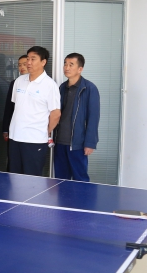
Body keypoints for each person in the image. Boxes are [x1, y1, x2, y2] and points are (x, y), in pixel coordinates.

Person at [8, 46, 61, 176]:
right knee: (14, 176)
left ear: (43, 62)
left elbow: (55, 114)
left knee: (31, 179)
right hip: (15, 137)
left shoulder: (50, 85)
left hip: (35, 140)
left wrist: (44, 130)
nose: (29, 62)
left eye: (33, 59)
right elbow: (16, 106)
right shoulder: (19, 81)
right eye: (28, 58)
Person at [53, 53, 100, 182]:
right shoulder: (62, 87)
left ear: (80, 69)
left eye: (71, 65)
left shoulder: (89, 88)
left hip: (77, 144)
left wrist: (90, 143)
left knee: (80, 179)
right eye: (65, 64)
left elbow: (93, 117)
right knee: (60, 180)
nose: (66, 67)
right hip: (59, 141)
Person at [2, 55, 28, 142]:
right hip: (15, 127)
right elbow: (9, 107)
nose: (22, 67)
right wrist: (5, 129)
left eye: (24, 64)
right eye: (19, 65)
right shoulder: (15, 83)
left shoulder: (39, 83)